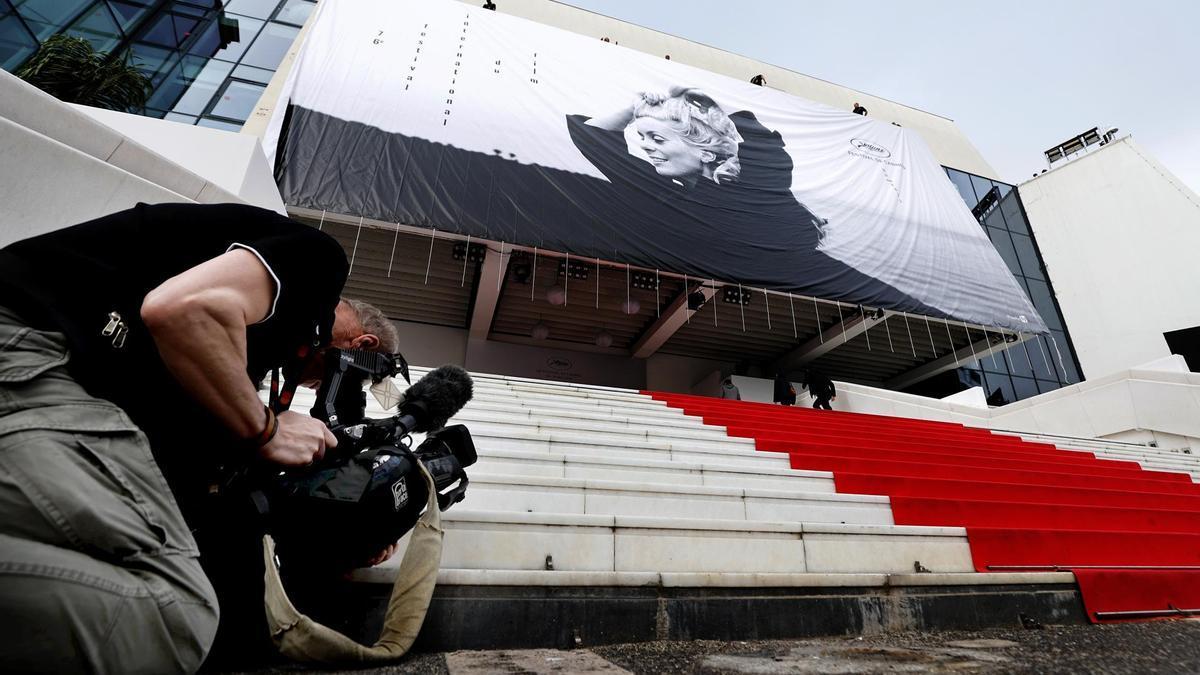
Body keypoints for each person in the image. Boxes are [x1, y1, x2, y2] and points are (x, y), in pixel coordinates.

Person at [0, 202, 400, 673]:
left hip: (52, 377)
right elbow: (185, 309)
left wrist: (353, 523)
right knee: (174, 615)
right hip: (32, 348)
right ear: (362, 346)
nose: (318, 386)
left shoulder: (241, 350)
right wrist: (266, 427)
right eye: (339, 378)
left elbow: (189, 465)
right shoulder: (318, 262)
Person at [566, 87, 944, 316]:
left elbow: (766, 143)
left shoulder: (756, 181)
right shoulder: (665, 189)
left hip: (812, 275)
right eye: (642, 136)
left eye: (658, 139)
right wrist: (635, 110)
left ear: (705, 152)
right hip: (768, 286)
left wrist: (708, 114)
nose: (645, 147)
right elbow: (588, 137)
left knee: (924, 315)